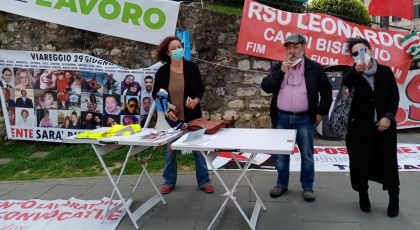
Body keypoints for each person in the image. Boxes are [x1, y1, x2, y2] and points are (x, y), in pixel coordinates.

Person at [261, 34, 332, 202]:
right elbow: (266, 87)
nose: (292, 51)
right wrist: (281, 72)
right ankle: (281, 184)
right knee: (280, 154)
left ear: (303, 48)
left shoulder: (314, 68)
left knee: (307, 155)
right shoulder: (279, 67)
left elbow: (327, 92)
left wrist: (320, 112)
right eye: (289, 48)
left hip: (304, 119)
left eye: (296, 47)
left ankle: (308, 187)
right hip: (282, 118)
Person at [343, 37, 400, 217]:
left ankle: (394, 198)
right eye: (355, 53)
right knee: (361, 162)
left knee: (388, 163)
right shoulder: (352, 73)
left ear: (370, 50)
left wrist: (388, 117)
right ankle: (363, 195)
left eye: (363, 50)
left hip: (384, 127)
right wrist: (356, 71)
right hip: (359, 128)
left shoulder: (385, 71)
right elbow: (346, 82)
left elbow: (394, 96)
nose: (360, 55)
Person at [153, 36, 214, 194]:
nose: (177, 50)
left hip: (194, 116)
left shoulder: (191, 67)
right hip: (173, 118)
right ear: (167, 52)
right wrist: (167, 110)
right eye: (173, 48)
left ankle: (204, 181)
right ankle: (169, 181)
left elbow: (200, 87)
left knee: (198, 150)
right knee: (170, 151)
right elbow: (157, 94)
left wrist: (196, 100)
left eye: (179, 46)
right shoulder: (162, 72)